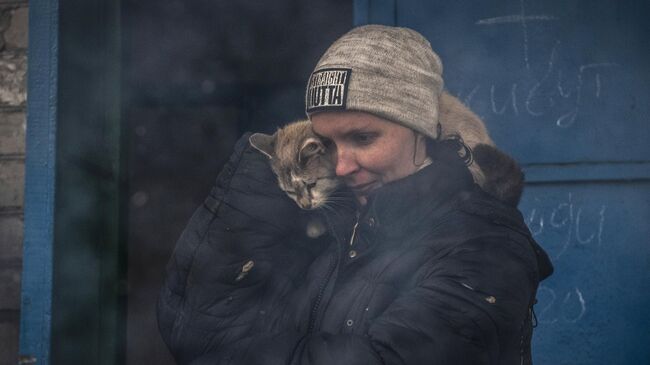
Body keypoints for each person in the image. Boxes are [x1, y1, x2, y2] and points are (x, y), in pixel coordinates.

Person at [157, 25, 553, 365]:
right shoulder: (330, 224)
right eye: (325, 143)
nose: (341, 166)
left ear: (422, 130)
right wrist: (262, 179)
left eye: (363, 137)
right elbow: (191, 325)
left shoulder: (487, 245)